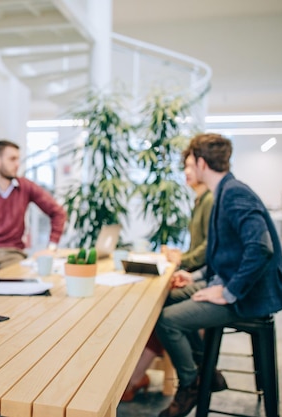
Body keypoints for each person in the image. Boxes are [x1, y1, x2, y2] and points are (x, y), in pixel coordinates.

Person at [155, 133, 282, 417]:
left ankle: (191, 383)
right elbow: (227, 254)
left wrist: (227, 292)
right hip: (231, 284)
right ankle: (206, 371)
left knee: (167, 322)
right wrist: (197, 277)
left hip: (249, 295)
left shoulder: (234, 193)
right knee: (163, 300)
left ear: (202, 163)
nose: (188, 168)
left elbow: (260, 247)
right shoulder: (224, 192)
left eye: (191, 162)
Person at [121, 146, 214, 402]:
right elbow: (202, 246)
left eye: (190, 167)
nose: (186, 172)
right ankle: (136, 376)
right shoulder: (200, 200)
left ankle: (137, 377)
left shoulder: (210, 200)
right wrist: (181, 256)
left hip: (205, 279)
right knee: (156, 306)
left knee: (157, 310)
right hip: (198, 274)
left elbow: (209, 247)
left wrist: (183, 260)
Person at [0, 139, 67, 269]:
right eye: (12, 159)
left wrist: (51, 248)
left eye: (18, 159)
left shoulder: (25, 186)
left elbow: (58, 212)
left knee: (15, 283)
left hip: (13, 254)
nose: (18, 164)